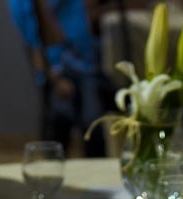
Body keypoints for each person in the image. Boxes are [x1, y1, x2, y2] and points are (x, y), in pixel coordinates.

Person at [9, 0, 110, 156]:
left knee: (92, 125)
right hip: (59, 66)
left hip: (86, 63)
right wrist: (54, 75)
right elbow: (31, 35)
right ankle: (53, 170)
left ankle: (98, 172)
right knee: (59, 126)